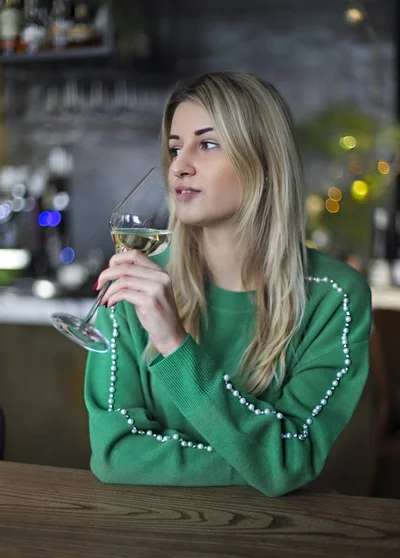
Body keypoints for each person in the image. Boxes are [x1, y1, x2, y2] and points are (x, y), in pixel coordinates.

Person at [84, 72, 371, 497]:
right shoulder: (135, 287)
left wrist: (175, 344)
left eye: (208, 143)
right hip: (150, 542)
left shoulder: (335, 297)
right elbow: (114, 453)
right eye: (175, 147)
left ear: (266, 162)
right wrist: (263, 461)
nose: (179, 166)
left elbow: (293, 459)